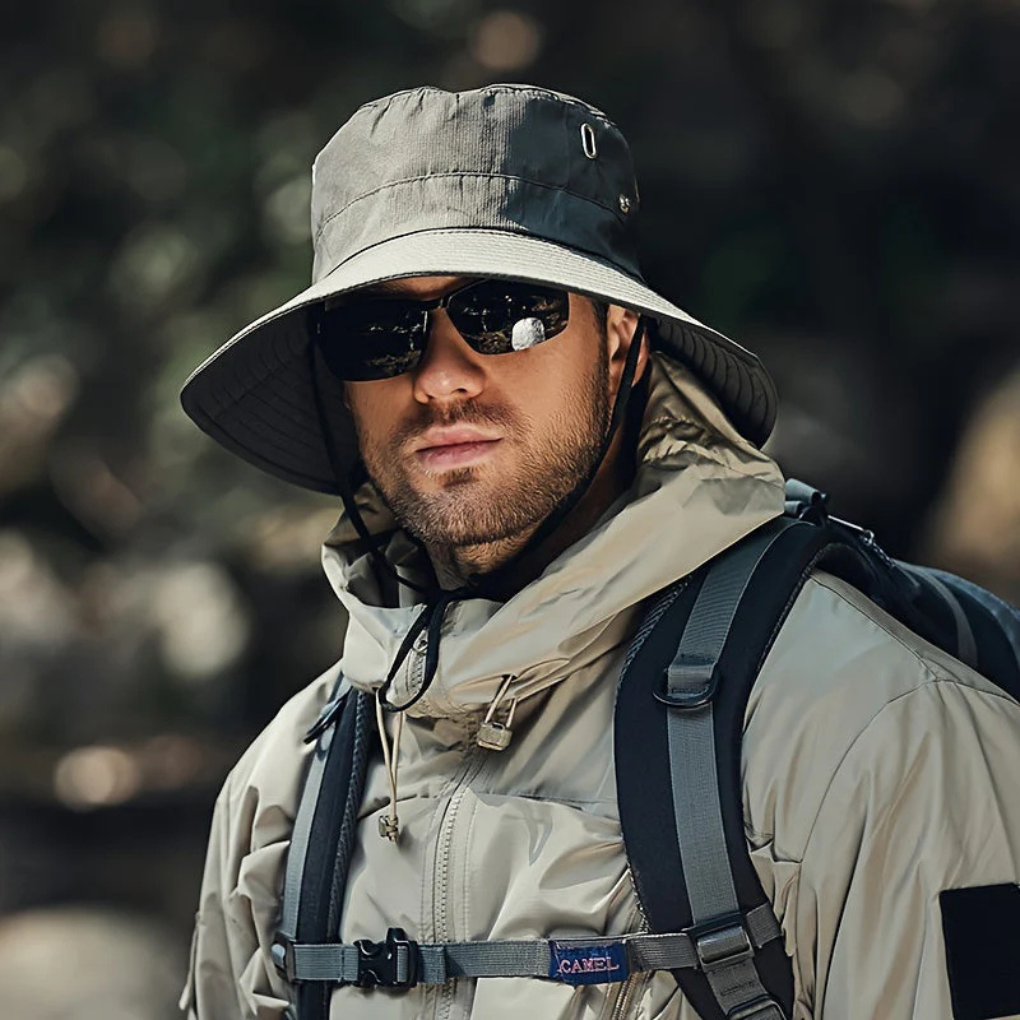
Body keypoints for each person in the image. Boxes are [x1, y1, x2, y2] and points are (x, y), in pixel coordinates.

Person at [179, 84, 1020, 1020]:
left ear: (621, 338)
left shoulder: (870, 731)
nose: (442, 377)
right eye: (377, 332)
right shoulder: (284, 791)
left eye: (506, 309)